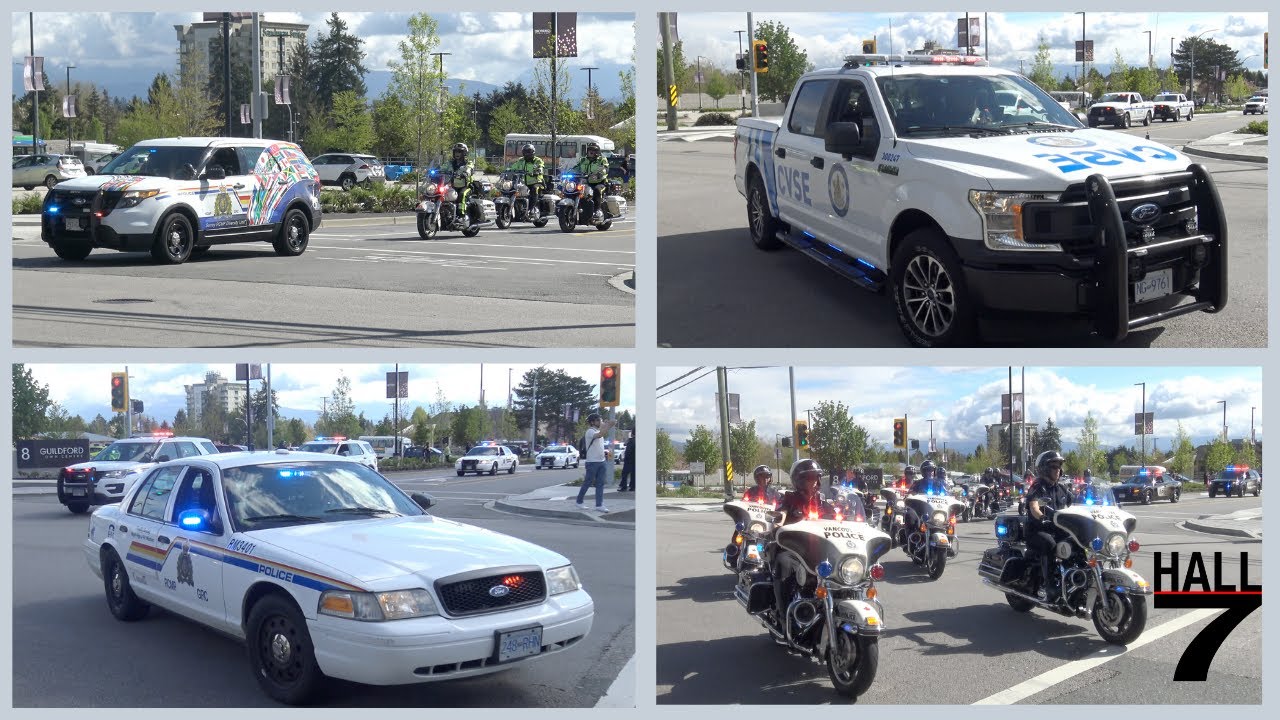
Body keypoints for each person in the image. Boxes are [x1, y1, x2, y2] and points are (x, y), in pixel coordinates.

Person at [771, 459, 839, 626]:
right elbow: (781, 512)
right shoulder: (789, 499)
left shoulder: (823, 503)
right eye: (809, 478)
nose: (814, 482)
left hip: (822, 551)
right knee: (783, 563)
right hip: (794, 551)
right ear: (799, 480)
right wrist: (778, 520)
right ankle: (784, 616)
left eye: (816, 478)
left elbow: (840, 520)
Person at [1025, 450, 1075, 601]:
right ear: (1045, 468)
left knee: (1077, 544)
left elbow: (1075, 505)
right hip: (1037, 530)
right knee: (1050, 544)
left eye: (1059, 466)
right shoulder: (1038, 486)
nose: (1058, 469)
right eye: (1054, 466)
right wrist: (1041, 518)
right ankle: (1050, 585)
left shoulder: (1062, 488)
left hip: (1058, 529)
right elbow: (1034, 506)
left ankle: (1073, 577)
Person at [575, 413, 616, 512]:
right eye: (598, 420)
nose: (599, 422)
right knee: (587, 483)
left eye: (599, 420)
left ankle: (599, 505)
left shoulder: (597, 429)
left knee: (600, 484)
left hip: (601, 461)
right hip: (592, 462)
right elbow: (600, 434)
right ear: (592, 422)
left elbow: (602, 430)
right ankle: (579, 502)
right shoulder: (590, 431)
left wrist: (607, 424)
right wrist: (609, 425)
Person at [573, 141, 611, 222]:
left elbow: (605, 169)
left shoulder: (602, 159)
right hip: (587, 183)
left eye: (593, 151)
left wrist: (599, 174)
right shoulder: (583, 160)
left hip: (600, 183)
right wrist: (565, 173)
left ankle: (597, 210)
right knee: (576, 190)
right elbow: (576, 167)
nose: (590, 152)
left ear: (597, 152)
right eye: (589, 150)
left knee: (597, 190)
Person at [507, 143, 546, 219]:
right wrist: (508, 170)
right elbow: (514, 167)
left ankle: (530, 210)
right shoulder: (521, 161)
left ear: (533, 152)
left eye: (528, 151)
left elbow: (541, 167)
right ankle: (518, 211)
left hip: (537, 182)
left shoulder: (537, 160)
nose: (527, 154)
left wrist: (538, 171)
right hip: (523, 183)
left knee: (534, 190)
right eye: (525, 152)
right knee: (512, 190)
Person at [447, 142, 474, 226]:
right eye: (455, 152)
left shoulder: (468, 162)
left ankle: (461, 216)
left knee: (462, 195)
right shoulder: (451, 163)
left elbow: (470, 168)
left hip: (466, 186)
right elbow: (443, 167)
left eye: (459, 152)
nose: (457, 154)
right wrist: (434, 171)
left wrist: (466, 173)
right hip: (454, 186)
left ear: (464, 153)